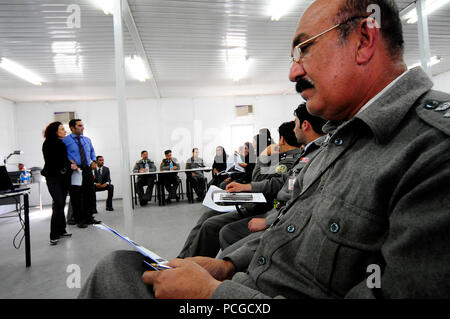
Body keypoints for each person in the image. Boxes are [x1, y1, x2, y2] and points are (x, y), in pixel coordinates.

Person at [79, 0, 450, 299]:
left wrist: (214, 295)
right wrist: (227, 266)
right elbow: (287, 221)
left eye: (304, 49)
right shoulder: (340, 139)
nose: (293, 72)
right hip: (246, 282)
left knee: (116, 275)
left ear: (364, 40)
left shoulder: (433, 149)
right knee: (129, 266)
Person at [176, 119, 304, 259]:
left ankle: (191, 263)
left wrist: (262, 157)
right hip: (259, 199)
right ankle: (183, 258)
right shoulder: (283, 156)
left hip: (264, 205)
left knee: (212, 224)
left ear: (282, 139)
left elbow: (260, 180)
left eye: (254, 143)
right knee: (208, 217)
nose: (253, 146)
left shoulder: (284, 158)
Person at [219, 104, 326, 253]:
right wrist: (245, 187)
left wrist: (269, 220)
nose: (294, 130)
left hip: (281, 217)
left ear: (305, 125)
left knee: (226, 241)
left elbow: (301, 199)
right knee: (226, 231)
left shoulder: (314, 156)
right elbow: (281, 181)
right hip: (276, 211)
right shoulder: (306, 153)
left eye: (296, 124)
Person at [41, 121, 77, 245]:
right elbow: (55, 162)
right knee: (59, 202)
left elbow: (64, 160)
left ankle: (61, 230)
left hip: (62, 179)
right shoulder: (49, 144)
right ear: (55, 131)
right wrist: (70, 164)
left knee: (59, 205)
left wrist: (70, 164)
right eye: (62, 129)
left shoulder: (61, 143)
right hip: (53, 178)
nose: (64, 131)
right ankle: (53, 235)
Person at [63, 119, 100, 228]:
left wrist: (94, 161)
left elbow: (92, 151)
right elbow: (63, 156)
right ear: (72, 128)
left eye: (82, 125)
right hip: (75, 171)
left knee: (89, 193)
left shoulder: (87, 140)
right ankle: (79, 219)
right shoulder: (65, 141)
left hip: (87, 169)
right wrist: (70, 163)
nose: (82, 127)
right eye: (79, 126)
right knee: (77, 196)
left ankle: (89, 217)